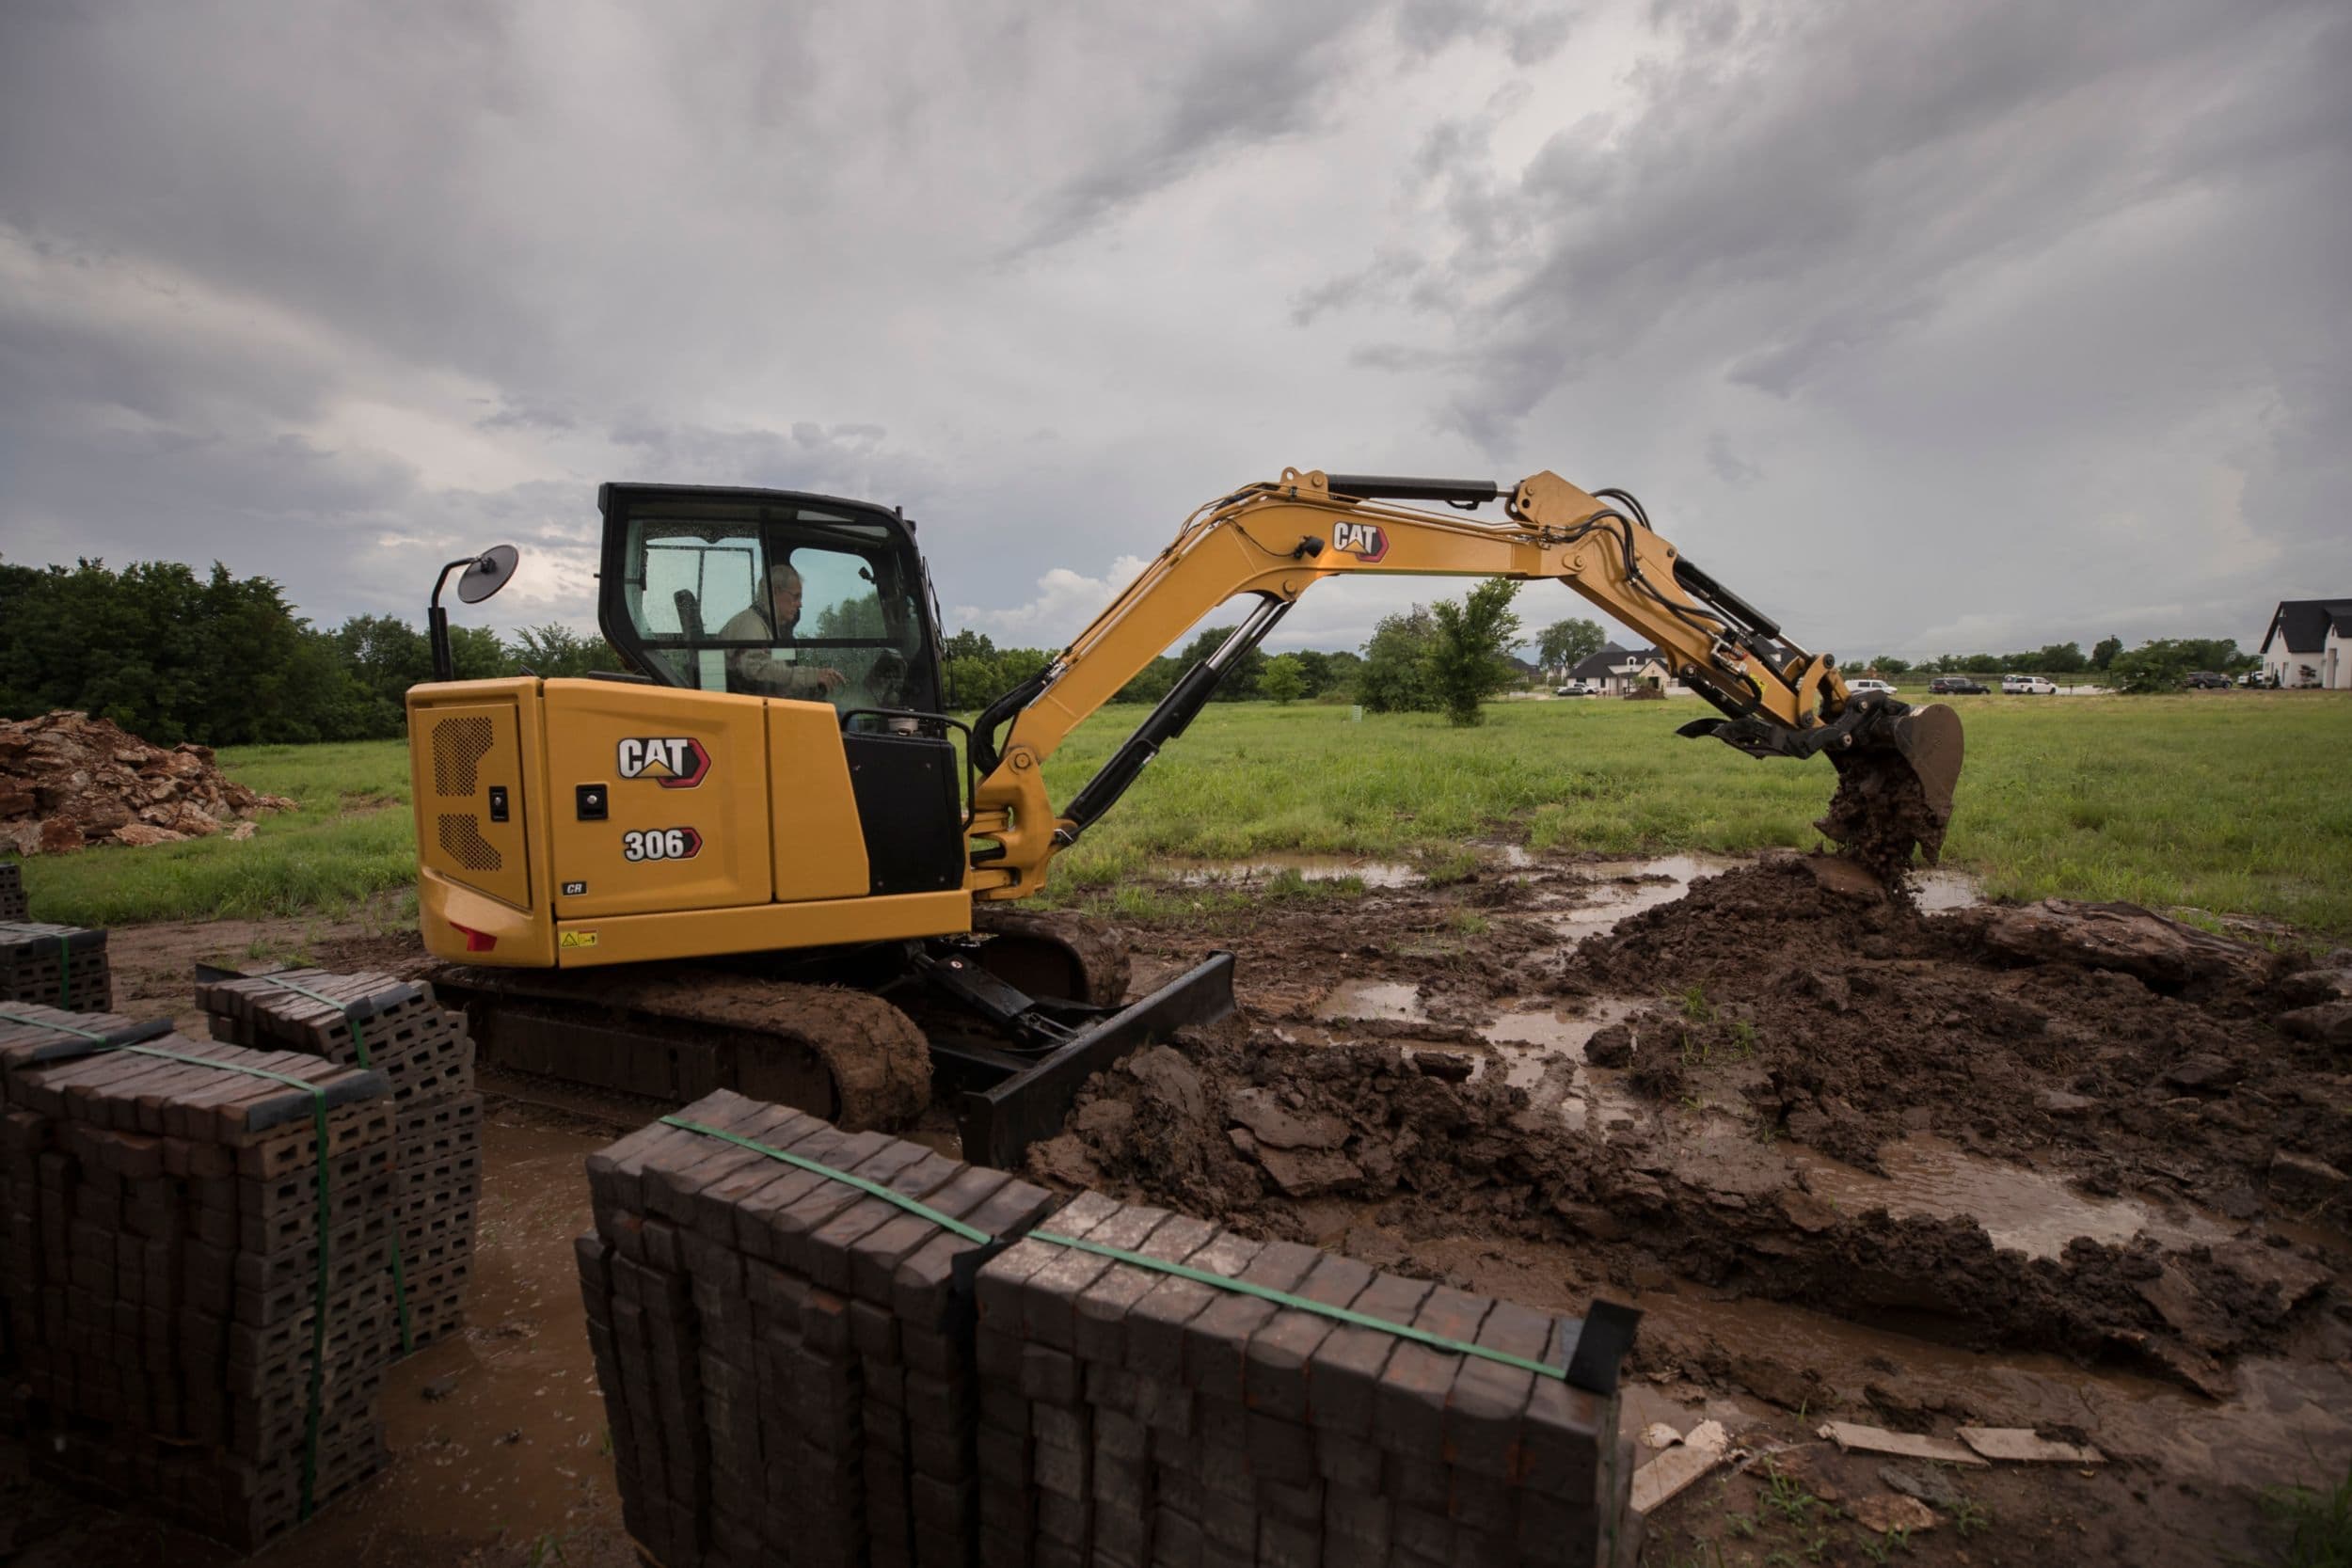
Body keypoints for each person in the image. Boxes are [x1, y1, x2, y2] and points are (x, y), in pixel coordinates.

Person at [717, 562, 849, 700]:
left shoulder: (769, 628)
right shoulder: (750, 625)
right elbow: (756, 672)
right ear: (775, 591)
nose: (800, 604)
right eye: (796, 596)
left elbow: (777, 678)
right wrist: (812, 676)